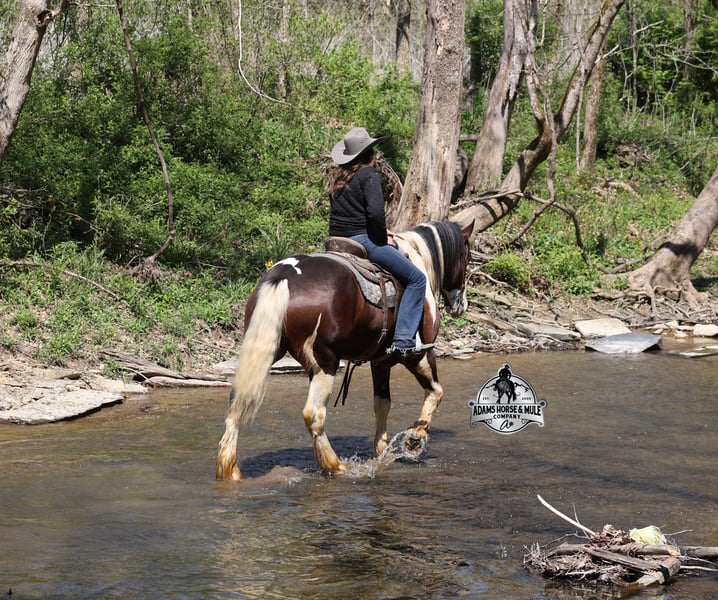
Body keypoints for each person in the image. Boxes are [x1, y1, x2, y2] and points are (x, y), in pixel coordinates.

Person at [328, 126, 432, 357]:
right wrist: (382, 238)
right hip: (362, 240)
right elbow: (375, 214)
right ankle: (404, 340)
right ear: (370, 153)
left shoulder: (337, 177)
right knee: (417, 279)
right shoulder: (369, 175)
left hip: (335, 241)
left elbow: (349, 213)